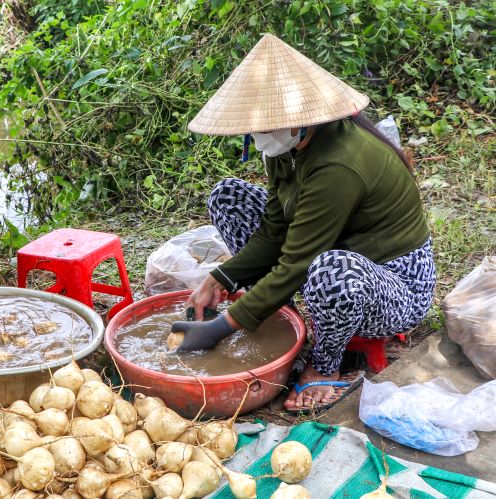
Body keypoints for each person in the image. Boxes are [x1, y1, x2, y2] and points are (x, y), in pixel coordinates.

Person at [172, 34, 436, 412]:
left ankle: (324, 366)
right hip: (325, 248)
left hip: (393, 281)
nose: (259, 136)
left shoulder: (339, 164)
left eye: (266, 126)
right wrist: (222, 277)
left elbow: (298, 259)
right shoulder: (288, 145)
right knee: (228, 195)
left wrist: (222, 326)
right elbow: (274, 230)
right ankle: (282, 312)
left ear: (301, 118)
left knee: (331, 270)